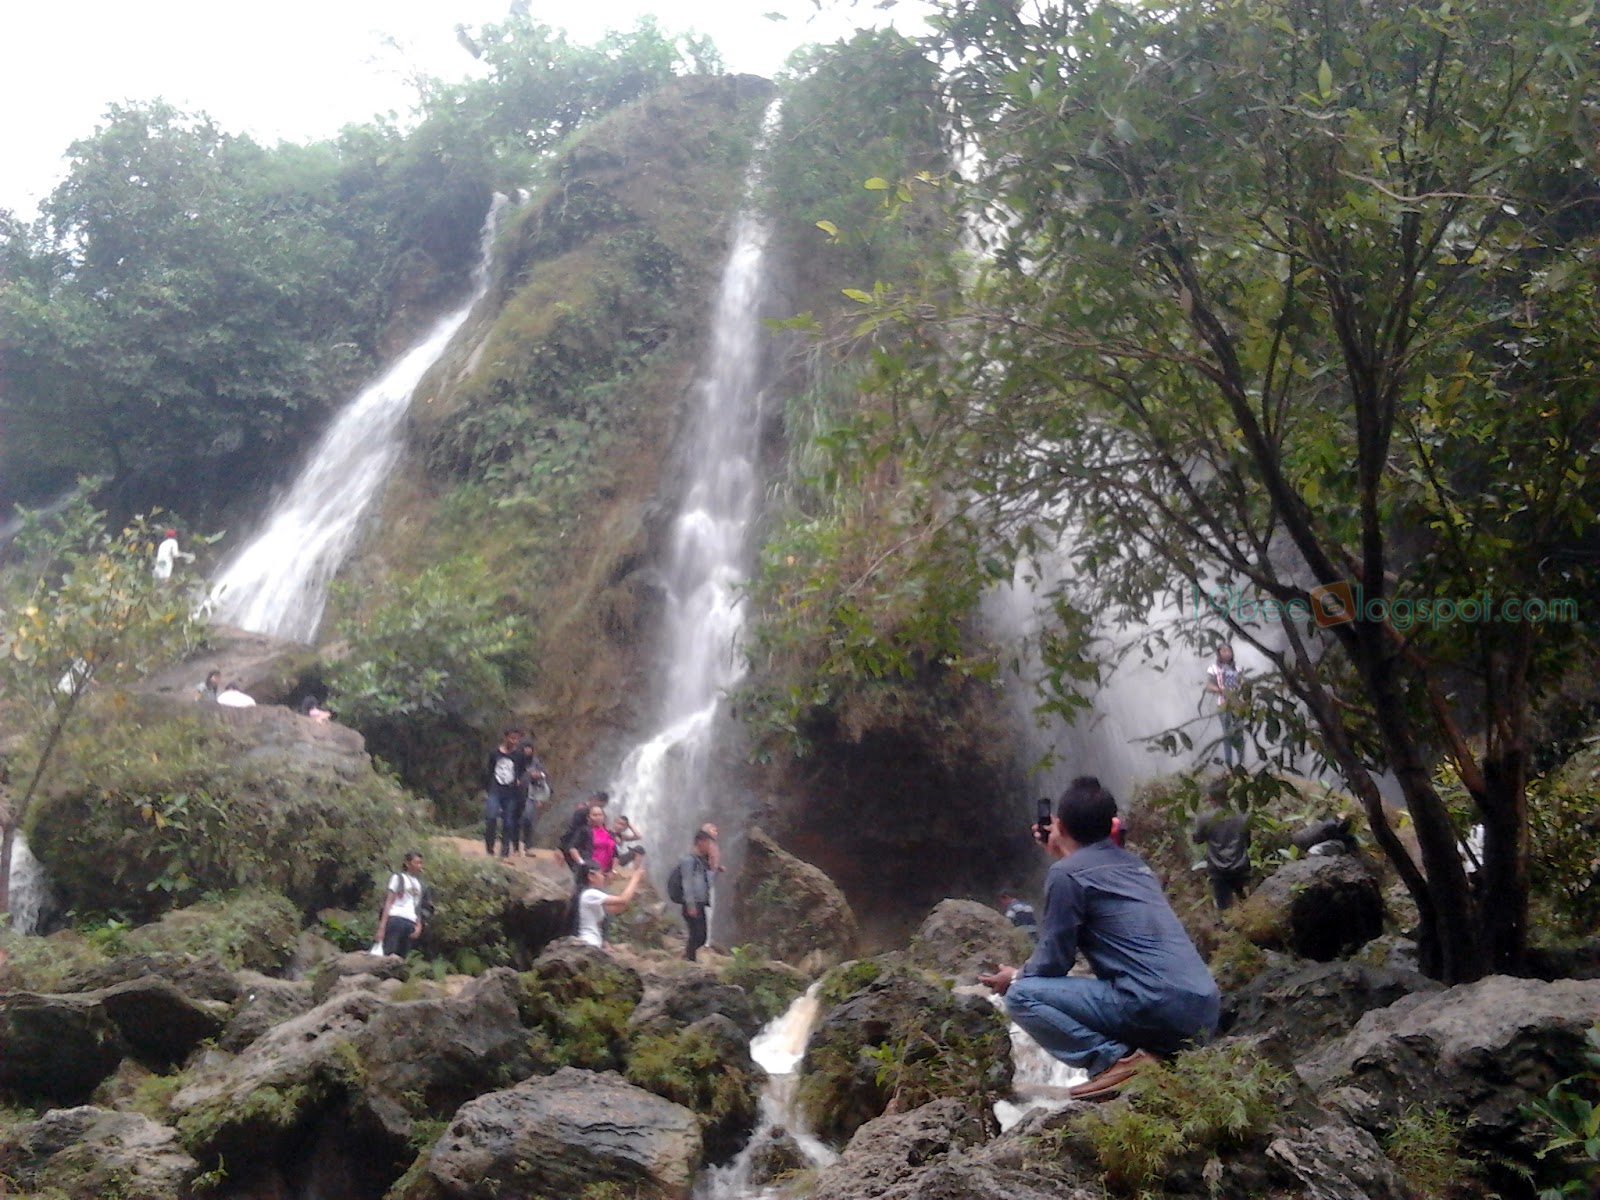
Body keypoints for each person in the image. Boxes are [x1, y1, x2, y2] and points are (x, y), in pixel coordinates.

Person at [981, 776, 1220, 1101]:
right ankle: (1149, 1059)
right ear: (1111, 823)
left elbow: (1055, 961)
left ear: (1060, 825)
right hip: (1204, 1011)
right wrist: (1066, 850)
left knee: (1021, 995)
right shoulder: (1136, 866)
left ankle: (1115, 1062)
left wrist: (1015, 976)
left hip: (1156, 1007)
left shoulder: (1067, 875)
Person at [1192, 777, 1252, 911]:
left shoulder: (1205, 819)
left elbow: (1197, 839)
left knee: (1224, 908)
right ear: (1228, 795)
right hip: (1241, 867)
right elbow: (1247, 842)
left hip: (1218, 870)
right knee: (1247, 905)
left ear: (1210, 796)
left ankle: (1227, 929)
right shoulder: (1242, 816)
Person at [573, 852, 648, 948]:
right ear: (591, 876)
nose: (603, 877)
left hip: (593, 945)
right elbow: (623, 900)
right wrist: (635, 878)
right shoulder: (590, 894)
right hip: (589, 943)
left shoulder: (590, 896)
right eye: (600, 873)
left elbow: (618, 907)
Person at [377, 852, 426, 957]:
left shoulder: (420, 884)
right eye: (417, 862)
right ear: (408, 864)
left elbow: (417, 906)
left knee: (402, 957)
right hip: (396, 919)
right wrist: (382, 927)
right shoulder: (398, 878)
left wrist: (418, 925)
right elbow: (389, 901)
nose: (419, 866)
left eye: (421, 863)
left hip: (410, 922)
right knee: (389, 954)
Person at [484, 729, 524, 858]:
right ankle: (490, 847)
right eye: (512, 738)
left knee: (508, 821)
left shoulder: (518, 755)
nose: (514, 742)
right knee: (491, 817)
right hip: (495, 789)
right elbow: (489, 770)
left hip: (511, 792)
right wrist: (488, 786)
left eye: (517, 739)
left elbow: (521, 770)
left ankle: (505, 851)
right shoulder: (494, 753)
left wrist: (519, 780)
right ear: (505, 738)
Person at [678, 829, 716, 962]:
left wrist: (714, 866)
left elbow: (708, 882)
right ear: (700, 842)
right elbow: (686, 882)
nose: (710, 846)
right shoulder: (689, 860)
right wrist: (690, 904)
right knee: (697, 935)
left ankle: (688, 957)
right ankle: (688, 958)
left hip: (700, 903)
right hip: (692, 903)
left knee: (701, 936)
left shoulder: (701, 861)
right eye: (708, 843)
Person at [1205, 643, 1244, 769]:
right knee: (1227, 734)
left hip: (1237, 704)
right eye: (1223, 651)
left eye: (1228, 651)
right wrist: (1220, 690)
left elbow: (1242, 684)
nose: (1226, 653)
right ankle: (1229, 764)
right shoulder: (1213, 668)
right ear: (1219, 653)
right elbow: (1209, 685)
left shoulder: (1238, 668)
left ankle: (1241, 764)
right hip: (1223, 704)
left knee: (1239, 733)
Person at [518, 737, 550, 855]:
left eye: (530, 748)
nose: (528, 751)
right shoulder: (516, 761)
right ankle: (513, 845)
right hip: (516, 794)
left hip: (531, 795)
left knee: (528, 818)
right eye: (526, 748)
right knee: (514, 819)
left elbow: (545, 774)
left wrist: (539, 774)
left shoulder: (535, 762)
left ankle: (528, 844)